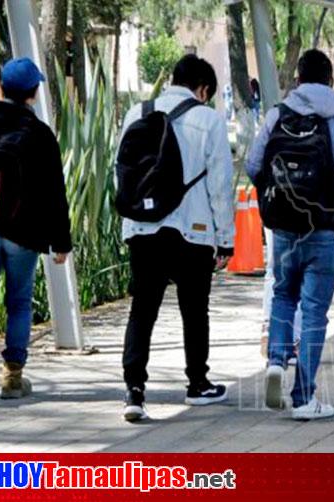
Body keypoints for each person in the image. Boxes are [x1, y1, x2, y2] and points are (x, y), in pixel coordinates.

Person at [247, 49, 334, 419]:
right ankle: (304, 397)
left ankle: (276, 359)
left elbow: (254, 165)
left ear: (299, 80)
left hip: (285, 226)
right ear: (331, 80)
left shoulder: (278, 113)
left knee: (283, 294)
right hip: (325, 227)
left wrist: (278, 194)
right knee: (316, 312)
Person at [119, 55, 235, 422]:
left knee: (143, 309)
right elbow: (220, 186)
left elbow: (120, 169)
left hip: (142, 227)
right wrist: (226, 239)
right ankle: (197, 384)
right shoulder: (209, 120)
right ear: (202, 89)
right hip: (193, 230)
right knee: (194, 309)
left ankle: (134, 391)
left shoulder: (137, 113)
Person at [0, 57, 72, 399]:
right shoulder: (39, 134)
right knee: (19, 302)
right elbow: (54, 194)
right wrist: (62, 242)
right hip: (23, 235)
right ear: (33, 92)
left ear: (2, 87)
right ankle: (12, 378)